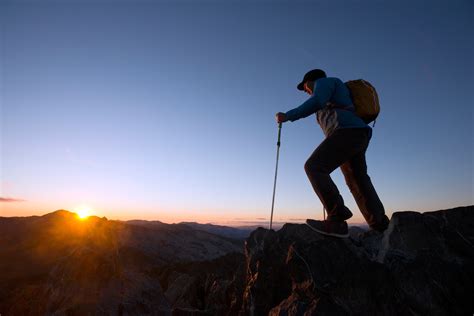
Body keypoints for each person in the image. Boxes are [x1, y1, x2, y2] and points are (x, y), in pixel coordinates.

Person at [275, 69, 389, 238]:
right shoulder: (335, 90)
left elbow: (318, 101)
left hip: (347, 133)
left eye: (304, 86)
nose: (305, 90)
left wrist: (288, 116)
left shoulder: (325, 83)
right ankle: (379, 224)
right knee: (357, 179)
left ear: (311, 80)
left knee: (314, 167)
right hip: (357, 133)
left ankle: (337, 218)